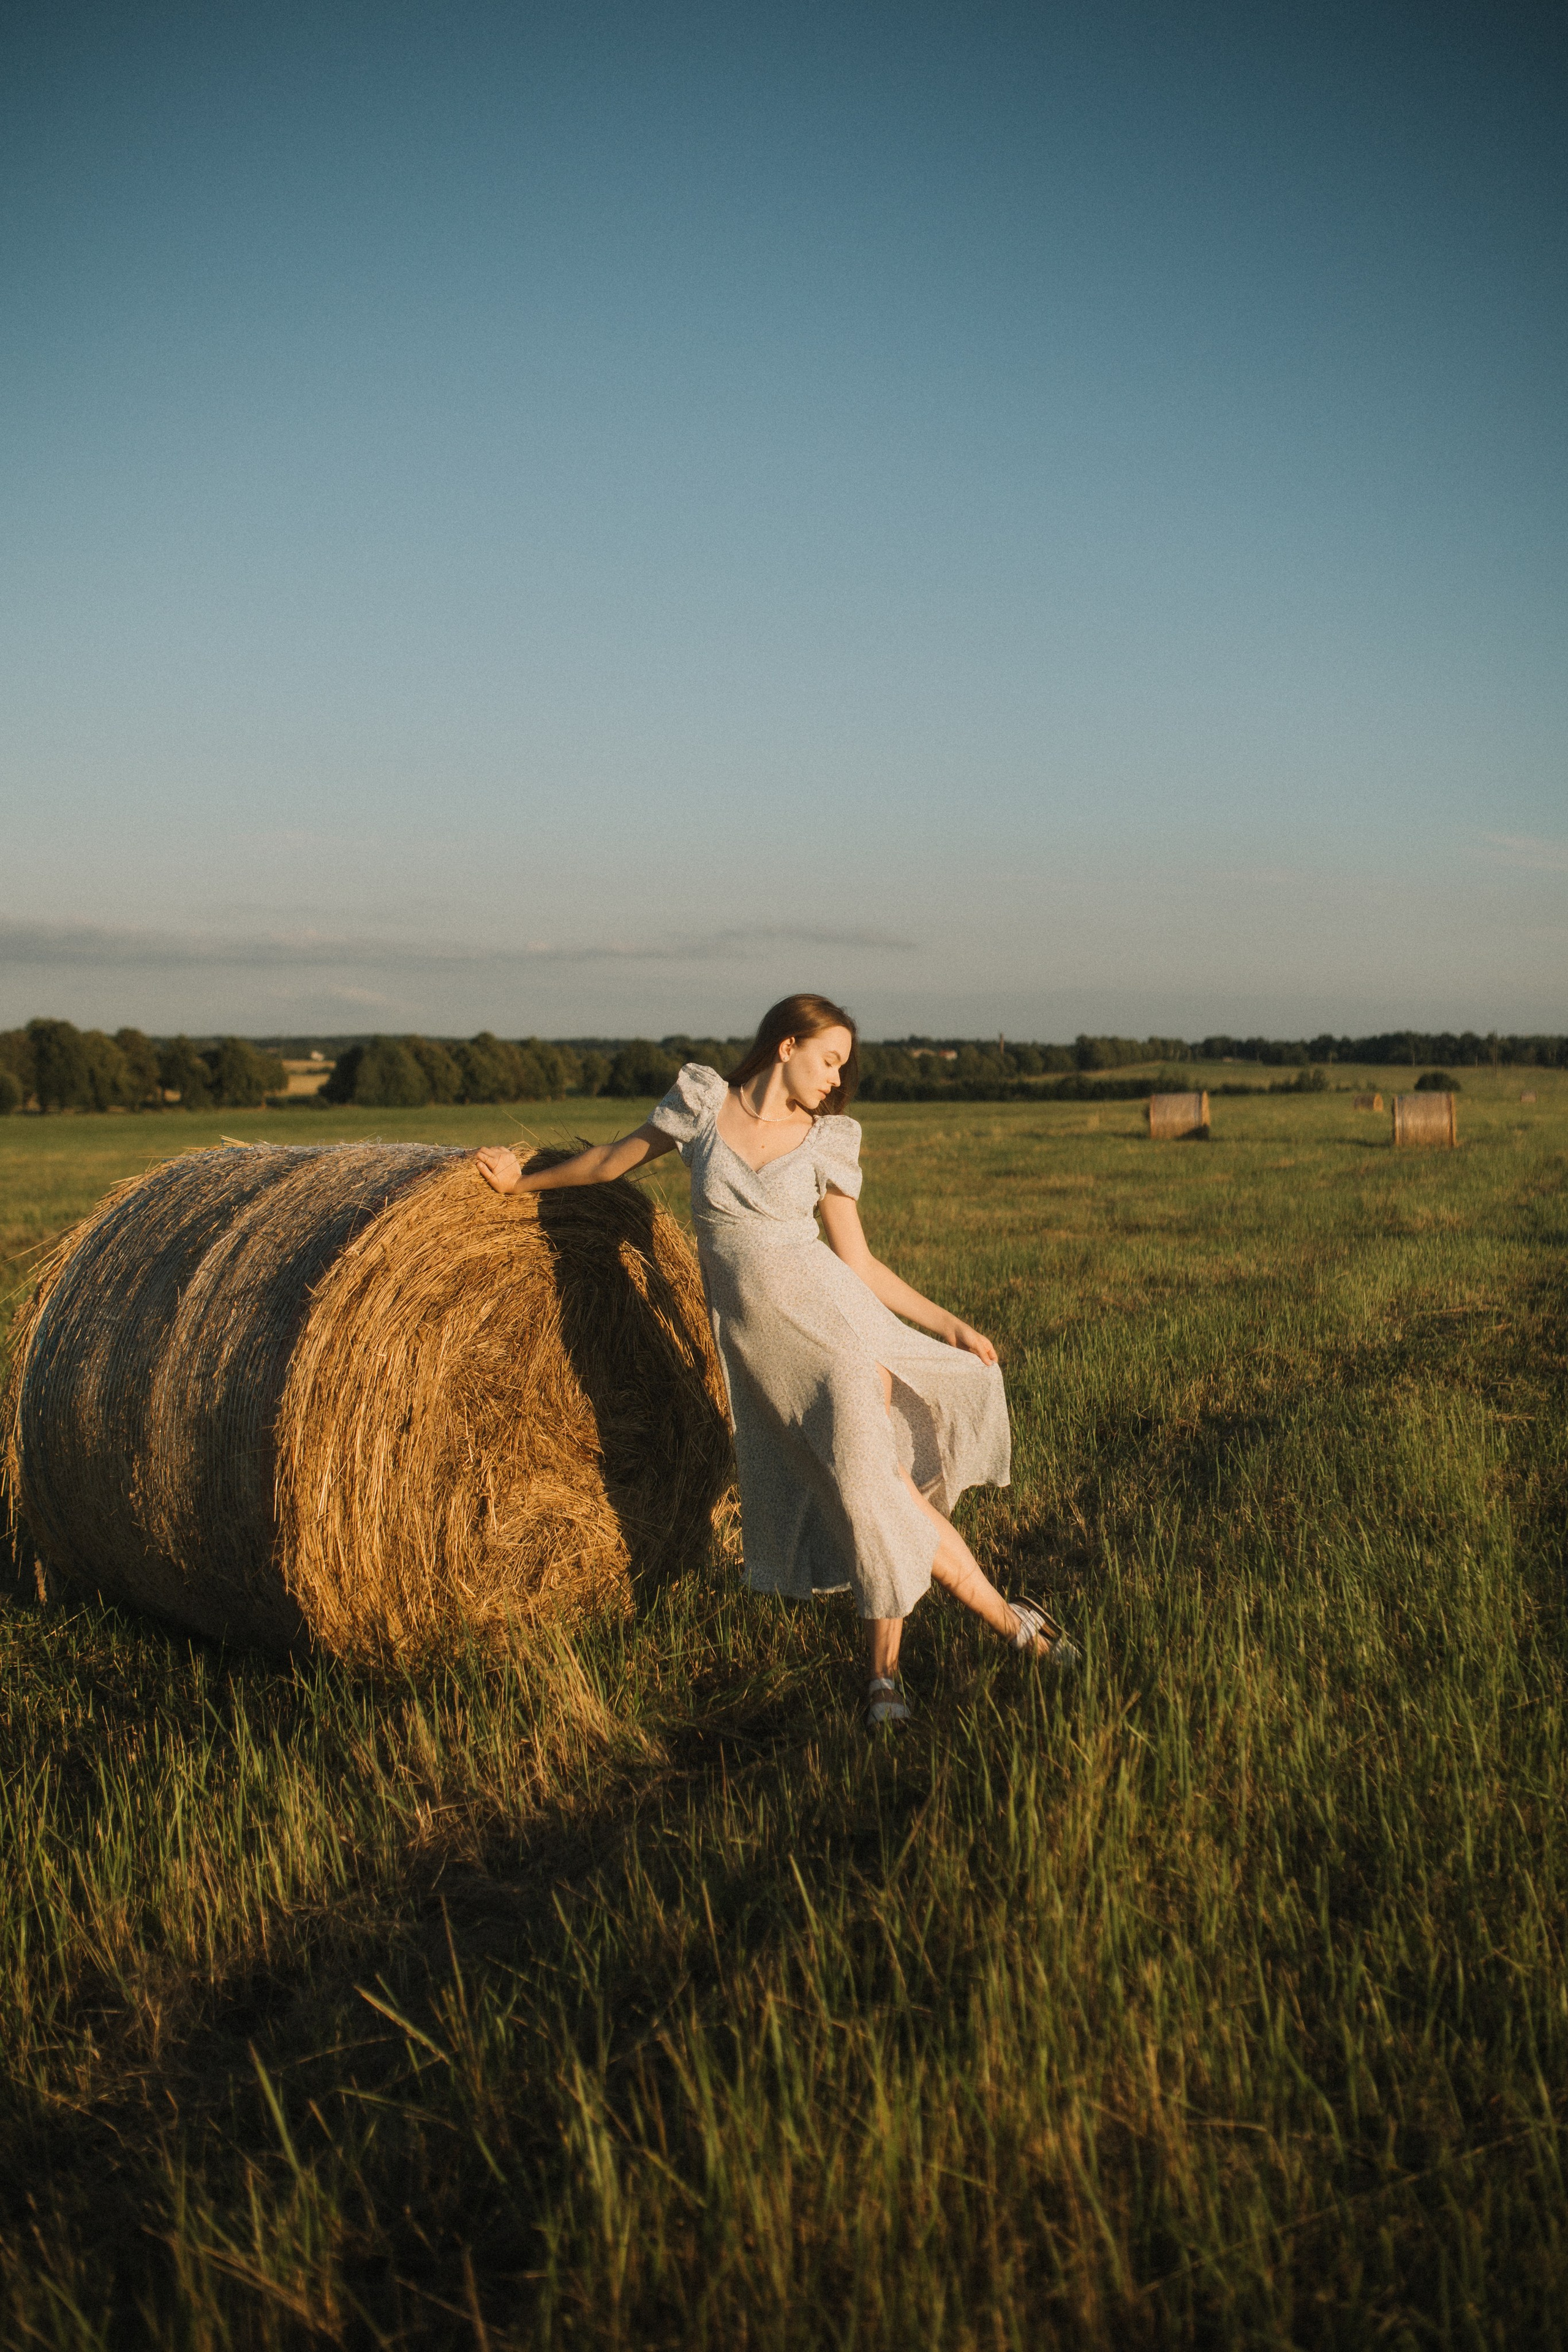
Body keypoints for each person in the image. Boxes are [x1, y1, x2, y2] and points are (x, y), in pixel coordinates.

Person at [476, 993, 1077, 1725]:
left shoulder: (826, 1141)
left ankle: (893, 1677)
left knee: (866, 1492)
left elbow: (856, 1261)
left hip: (839, 1335)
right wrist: (519, 1184)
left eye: (842, 1069)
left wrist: (946, 1323)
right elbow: (608, 1162)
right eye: (829, 1060)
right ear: (786, 1045)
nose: (835, 1079)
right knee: (885, 1496)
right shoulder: (701, 1106)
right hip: (765, 1357)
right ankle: (1014, 1624)